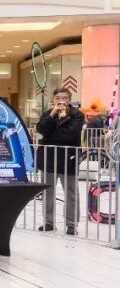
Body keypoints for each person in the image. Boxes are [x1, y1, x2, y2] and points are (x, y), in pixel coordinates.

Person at [35, 87, 84, 234]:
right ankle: (48, 222)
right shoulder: (48, 114)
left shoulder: (77, 115)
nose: (61, 101)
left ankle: (71, 224)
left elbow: (69, 135)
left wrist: (50, 135)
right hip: (48, 158)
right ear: (53, 100)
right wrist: (52, 115)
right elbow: (41, 130)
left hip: (69, 158)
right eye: (58, 98)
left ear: (69, 100)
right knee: (47, 192)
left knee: (71, 193)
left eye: (64, 98)